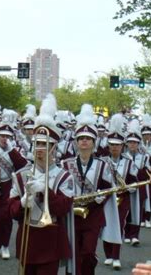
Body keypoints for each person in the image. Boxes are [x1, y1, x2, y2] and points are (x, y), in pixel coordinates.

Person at [9, 94, 74, 274]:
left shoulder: (64, 176)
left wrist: (46, 191)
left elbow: (63, 208)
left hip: (51, 240)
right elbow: (11, 211)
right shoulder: (21, 176)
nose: (39, 150)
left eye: (44, 145)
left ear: (53, 148)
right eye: (37, 144)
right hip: (27, 239)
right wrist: (21, 203)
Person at [60, 104, 112, 275]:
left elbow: (107, 188)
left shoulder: (102, 165)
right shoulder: (66, 164)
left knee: (88, 252)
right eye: (80, 138)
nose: (84, 141)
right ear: (76, 142)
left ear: (93, 143)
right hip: (71, 214)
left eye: (88, 139)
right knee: (72, 252)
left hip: (93, 214)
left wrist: (100, 198)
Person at [0, 109, 29, 260]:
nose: (4, 139)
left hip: (8, 187)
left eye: (7, 137)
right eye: (2, 136)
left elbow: (23, 166)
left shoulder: (15, 150)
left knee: (5, 219)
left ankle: (5, 246)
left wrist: (11, 151)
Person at [101, 113, 138, 270]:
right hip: (107, 198)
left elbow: (135, 180)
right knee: (106, 225)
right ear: (108, 145)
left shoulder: (129, 163)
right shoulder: (102, 161)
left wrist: (131, 187)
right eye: (112, 144)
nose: (115, 147)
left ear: (122, 145)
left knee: (119, 225)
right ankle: (108, 254)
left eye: (117, 145)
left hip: (122, 199)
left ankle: (116, 256)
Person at [124, 118, 151, 245]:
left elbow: (147, 172)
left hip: (139, 188)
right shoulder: (123, 157)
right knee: (127, 211)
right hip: (126, 188)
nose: (132, 145)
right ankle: (127, 233)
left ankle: (135, 235)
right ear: (127, 144)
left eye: (135, 142)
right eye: (130, 142)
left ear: (138, 143)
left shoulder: (144, 156)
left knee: (138, 211)